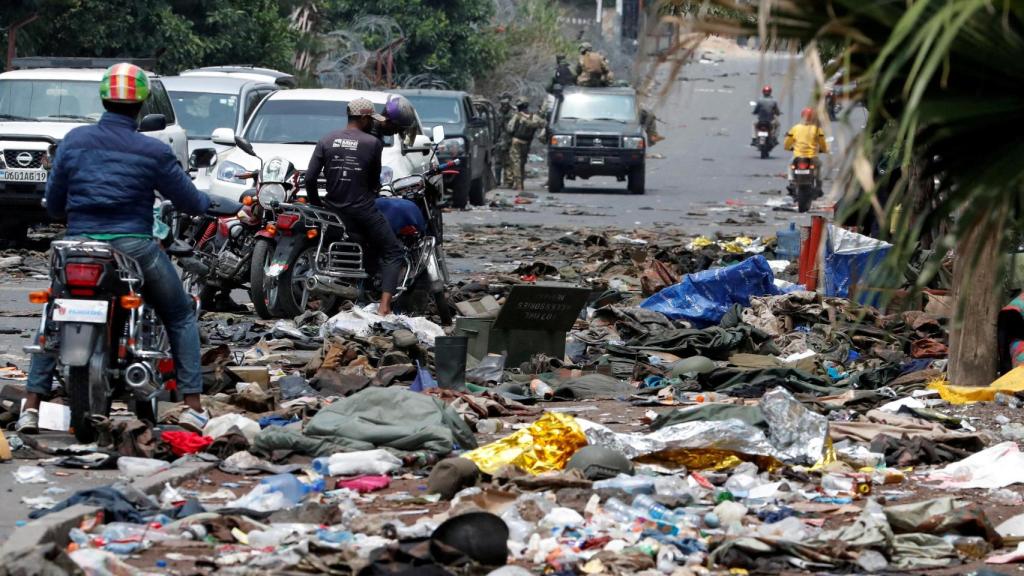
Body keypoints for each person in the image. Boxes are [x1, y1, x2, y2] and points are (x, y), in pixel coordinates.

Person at [17, 63, 215, 434]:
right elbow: (190, 200)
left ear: (103, 98)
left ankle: (30, 405)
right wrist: (222, 204)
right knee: (180, 314)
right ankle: (193, 405)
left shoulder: (74, 140)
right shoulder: (152, 151)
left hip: (77, 248)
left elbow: (55, 203)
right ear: (141, 102)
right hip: (133, 248)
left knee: (54, 314)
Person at [305, 98, 404, 317]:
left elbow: (310, 178)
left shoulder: (326, 139)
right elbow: (373, 182)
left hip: (333, 212)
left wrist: (317, 206)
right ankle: (384, 307)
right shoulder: (372, 143)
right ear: (364, 118)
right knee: (393, 252)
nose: (373, 124)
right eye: (371, 119)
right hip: (363, 211)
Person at [505, 97, 547, 192]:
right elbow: (544, 125)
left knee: (516, 163)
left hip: (516, 141)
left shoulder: (517, 116)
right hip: (526, 143)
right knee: (522, 163)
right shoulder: (534, 117)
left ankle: (519, 185)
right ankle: (521, 184)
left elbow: (510, 128)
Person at [783, 107, 830, 192]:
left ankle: (791, 182)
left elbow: (787, 142)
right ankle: (819, 186)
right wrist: (825, 150)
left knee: (790, 165)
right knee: (819, 167)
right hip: (812, 157)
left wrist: (787, 147)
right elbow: (822, 143)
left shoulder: (795, 128)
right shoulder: (817, 130)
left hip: (798, 156)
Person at [496, 93, 515, 188]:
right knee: (498, 162)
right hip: (500, 139)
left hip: (509, 139)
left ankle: (508, 181)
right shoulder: (498, 111)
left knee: (508, 161)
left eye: (506, 103)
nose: (504, 106)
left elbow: (512, 128)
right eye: (502, 103)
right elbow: (496, 127)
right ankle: (497, 181)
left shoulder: (513, 112)